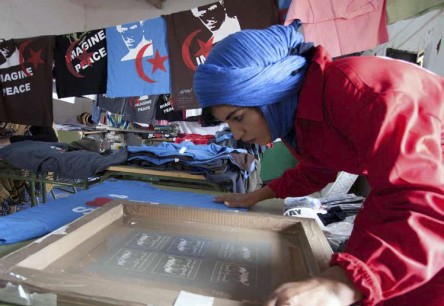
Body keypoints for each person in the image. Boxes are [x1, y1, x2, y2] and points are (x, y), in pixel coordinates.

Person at [193, 22, 444, 306]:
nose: (236, 134)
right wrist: (259, 195)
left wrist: (340, 285)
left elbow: (424, 201)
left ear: (268, 92)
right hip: (409, 196)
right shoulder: (296, 116)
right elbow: (319, 166)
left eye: (237, 117)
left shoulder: (359, 93)